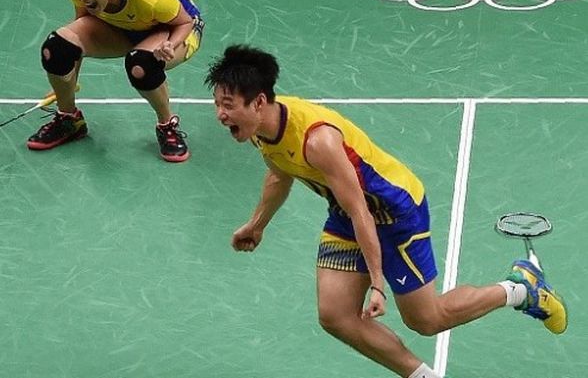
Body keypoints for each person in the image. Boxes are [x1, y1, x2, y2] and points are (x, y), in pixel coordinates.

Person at [204, 45, 567, 378]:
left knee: (426, 320)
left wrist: (377, 283)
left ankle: (521, 289)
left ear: (259, 101)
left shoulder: (318, 141)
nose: (221, 114)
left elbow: (363, 212)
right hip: (346, 211)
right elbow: (279, 173)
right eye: (219, 103)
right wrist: (257, 224)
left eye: (228, 104)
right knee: (335, 315)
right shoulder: (260, 129)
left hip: (395, 211)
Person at [27, 0, 204, 162]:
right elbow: (81, 28)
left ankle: (167, 125)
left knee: (141, 65)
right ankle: (69, 119)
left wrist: (170, 45)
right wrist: (69, 80)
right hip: (125, 27)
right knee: (57, 49)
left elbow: (184, 21)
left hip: (171, 28)